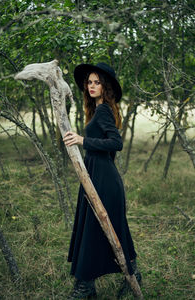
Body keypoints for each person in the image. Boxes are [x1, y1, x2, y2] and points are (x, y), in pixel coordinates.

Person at [63, 62, 141, 299]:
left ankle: (87, 285)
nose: (92, 86)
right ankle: (97, 283)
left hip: (105, 180)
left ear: (105, 86)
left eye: (97, 82)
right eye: (89, 82)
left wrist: (82, 140)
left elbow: (116, 143)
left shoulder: (105, 110)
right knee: (100, 228)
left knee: (99, 229)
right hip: (97, 175)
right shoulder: (98, 110)